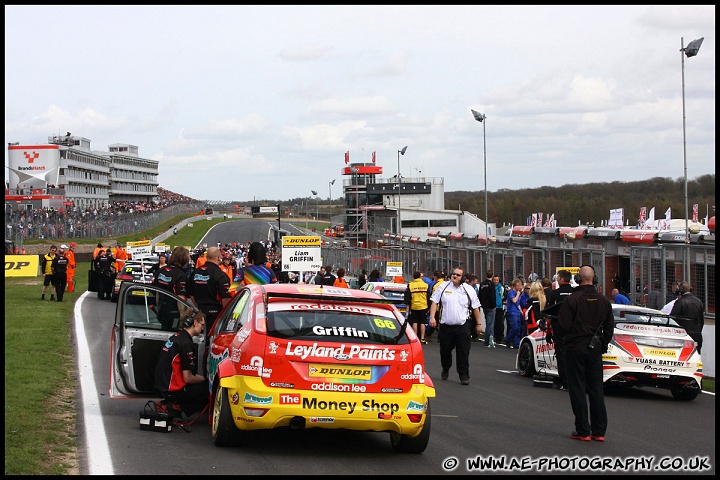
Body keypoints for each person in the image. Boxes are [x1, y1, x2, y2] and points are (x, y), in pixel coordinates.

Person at [555, 265, 614, 442]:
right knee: (596, 389)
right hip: (594, 348)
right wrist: (601, 343)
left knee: (578, 388)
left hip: (575, 347)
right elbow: (610, 327)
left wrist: (566, 341)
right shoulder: (604, 301)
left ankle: (583, 430)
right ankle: (599, 431)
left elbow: (563, 325)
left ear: (578, 280)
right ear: (594, 279)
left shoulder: (572, 299)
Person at [428, 267, 482, 385]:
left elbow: (476, 307)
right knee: (445, 350)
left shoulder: (468, 289)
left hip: (463, 325)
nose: (455, 276)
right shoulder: (443, 287)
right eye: (453, 274)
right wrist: (432, 317)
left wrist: (479, 324)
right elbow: (434, 302)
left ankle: (464, 375)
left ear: (463, 278)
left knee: (463, 351)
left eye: (458, 275)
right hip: (446, 326)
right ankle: (446, 368)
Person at [154, 310, 209, 418]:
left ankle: (172, 405)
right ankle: (176, 407)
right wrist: (205, 379)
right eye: (202, 325)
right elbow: (188, 378)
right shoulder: (186, 344)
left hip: (161, 386)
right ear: (195, 323)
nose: (203, 328)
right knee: (208, 389)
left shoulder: (176, 336)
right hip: (171, 390)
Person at [188, 246, 232, 331]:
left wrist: (199, 306)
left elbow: (191, 294)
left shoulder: (195, 273)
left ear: (207, 257)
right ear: (218, 257)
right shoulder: (220, 275)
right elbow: (225, 298)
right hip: (216, 314)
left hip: (200, 311)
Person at [546, 269, 575, 391]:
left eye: (558, 277)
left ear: (562, 279)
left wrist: (548, 330)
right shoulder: (575, 293)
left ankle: (565, 382)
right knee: (573, 354)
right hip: (573, 327)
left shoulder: (555, 293)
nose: (557, 279)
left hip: (559, 326)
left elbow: (550, 312)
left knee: (561, 354)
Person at [153, 246, 191, 330]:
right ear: (183, 259)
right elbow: (180, 298)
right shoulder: (180, 275)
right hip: (173, 311)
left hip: (162, 307)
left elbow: (157, 293)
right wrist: (182, 317)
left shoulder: (161, 271)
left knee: (163, 331)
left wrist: (158, 308)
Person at [670, 281, 705, 354]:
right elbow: (701, 320)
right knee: (696, 356)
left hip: (683, 334)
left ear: (681, 290)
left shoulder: (680, 302)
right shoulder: (698, 302)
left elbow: (673, 318)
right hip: (697, 334)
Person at [405, 272, 430, 344]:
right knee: (423, 322)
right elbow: (428, 297)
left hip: (414, 306)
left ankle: (415, 338)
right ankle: (422, 338)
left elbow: (408, 297)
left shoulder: (410, 285)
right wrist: (428, 307)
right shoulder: (425, 285)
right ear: (419, 277)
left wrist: (408, 306)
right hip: (423, 306)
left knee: (415, 322)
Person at [478, 270, 496, 347]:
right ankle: (487, 341)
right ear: (492, 276)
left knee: (489, 323)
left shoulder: (482, 284)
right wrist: (494, 305)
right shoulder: (491, 284)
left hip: (484, 306)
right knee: (490, 324)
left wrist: (482, 303)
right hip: (491, 307)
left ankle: (490, 339)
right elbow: (492, 296)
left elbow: (480, 295)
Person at [503, 279, 524, 348]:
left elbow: (518, 304)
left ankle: (516, 344)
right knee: (514, 328)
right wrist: (518, 294)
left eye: (520, 285)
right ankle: (507, 339)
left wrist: (521, 312)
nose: (519, 287)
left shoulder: (519, 294)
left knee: (518, 329)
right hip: (512, 312)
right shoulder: (511, 293)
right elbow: (514, 300)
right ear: (514, 286)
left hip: (517, 312)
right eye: (518, 285)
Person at [493, 275, 506, 345]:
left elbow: (505, 295)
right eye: (494, 280)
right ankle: (494, 336)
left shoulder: (501, 287)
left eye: (497, 280)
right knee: (493, 323)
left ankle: (499, 337)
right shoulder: (492, 287)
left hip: (500, 307)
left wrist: (501, 301)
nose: (495, 281)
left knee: (499, 323)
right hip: (493, 307)